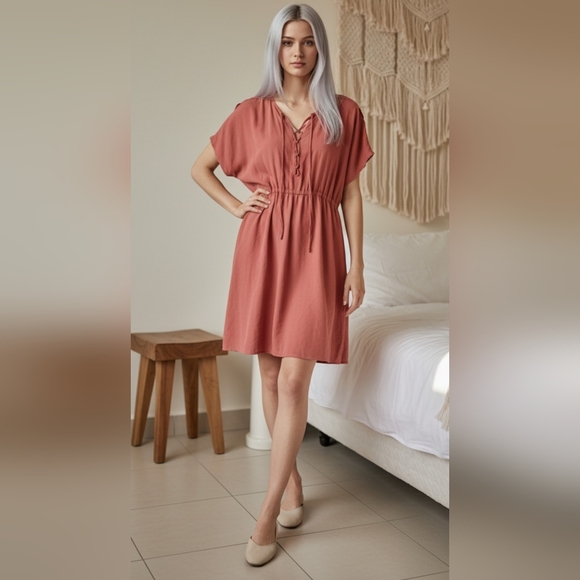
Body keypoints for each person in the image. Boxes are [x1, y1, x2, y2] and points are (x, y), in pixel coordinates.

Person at [191, 3, 373, 567]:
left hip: (319, 253)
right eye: (288, 42)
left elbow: (349, 193)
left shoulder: (344, 113)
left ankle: (267, 511)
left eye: (308, 41)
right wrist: (236, 206)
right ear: (276, 48)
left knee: (294, 379)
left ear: (320, 49)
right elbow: (201, 168)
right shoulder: (249, 113)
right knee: (270, 375)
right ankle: (291, 482)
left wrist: (357, 264)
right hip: (263, 250)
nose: (298, 52)